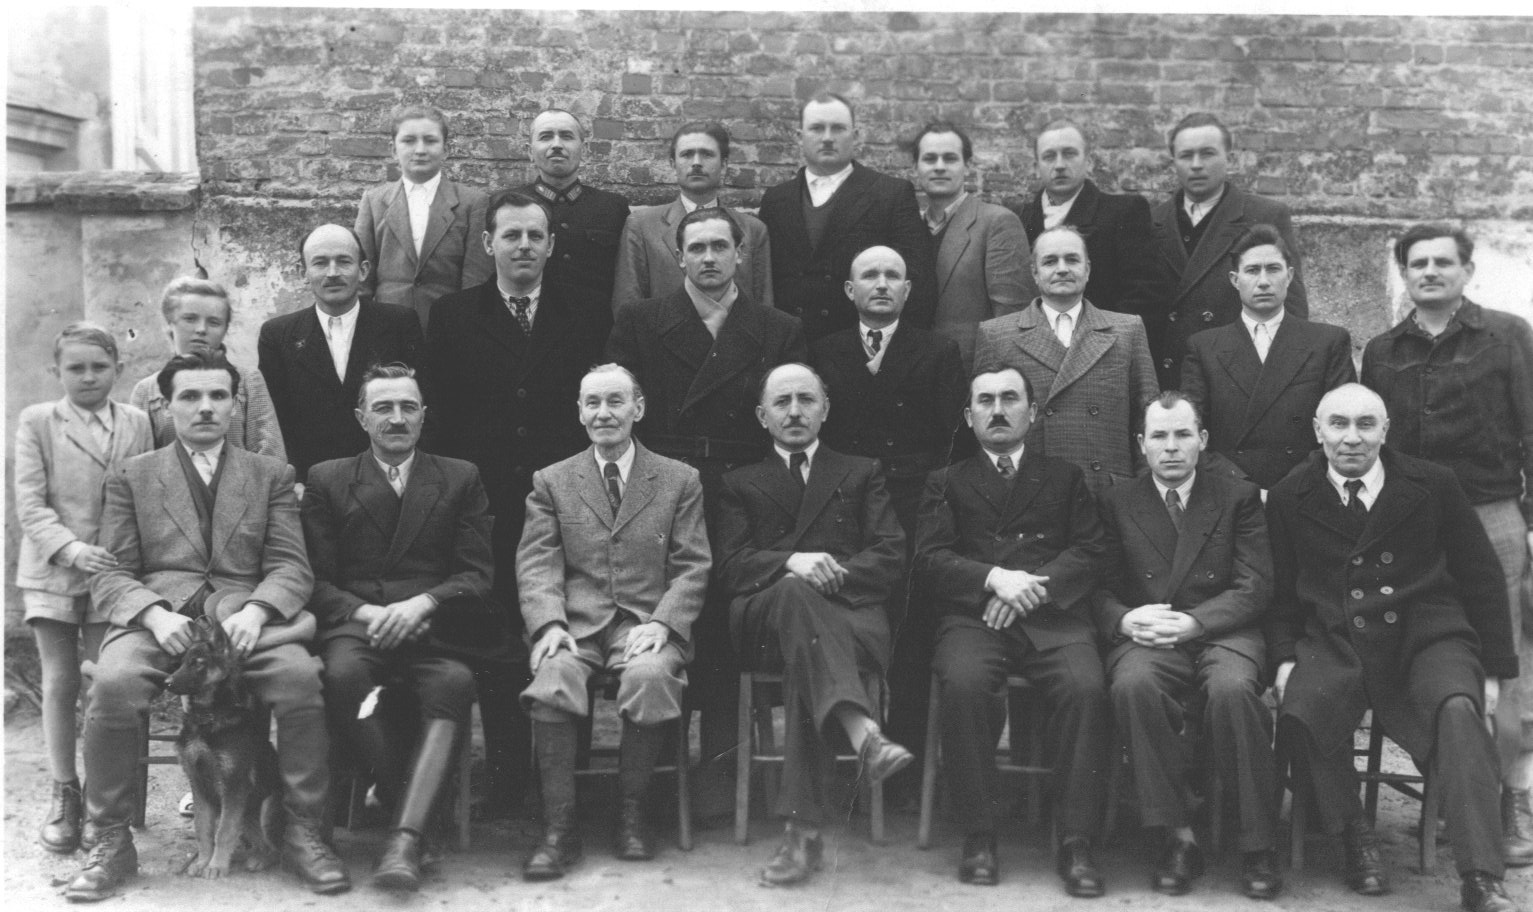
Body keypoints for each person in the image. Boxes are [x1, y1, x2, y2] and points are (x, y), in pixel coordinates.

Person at [67, 351, 347, 901]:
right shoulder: (132, 476)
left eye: (218, 395)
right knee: (113, 684)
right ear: (166, 406)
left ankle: (301, 831)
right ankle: (110, 839)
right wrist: (153, 613)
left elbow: (291, 566)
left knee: (298, 680)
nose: (205, 407)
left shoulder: (269, 474)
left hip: (242, 620)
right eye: (190, 396)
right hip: (158, 619)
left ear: (235, 404)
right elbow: (111, 571)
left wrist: (258, 610)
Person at [1268, 384, 1521, 912]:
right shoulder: (1291, 494)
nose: (1352, 438)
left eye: (1366, 425)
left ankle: (1481, 876)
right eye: (1338, 424)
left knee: (1458, 708)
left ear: (1385, 431)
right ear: (1318, 431)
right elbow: (1281, 590)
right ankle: (1354, 834)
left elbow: (1481, 575)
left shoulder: (1433, 483)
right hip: (1336, 636)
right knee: (1302, 707)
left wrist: (1494, 670)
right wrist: (1285, 657)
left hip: (1427, 634)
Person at [427, 188, 611, 815]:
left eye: (535, 235)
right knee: (500, 637)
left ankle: (569, 783)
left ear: (552, 244)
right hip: (488, 505)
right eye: (511, 235)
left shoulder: (586, 312)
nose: (524, 246)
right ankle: (506, 779)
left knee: (570, 626)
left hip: (568, 504)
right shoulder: (454, 315)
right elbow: (442, 417)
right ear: (488, 244)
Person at [606, 205, 806, 770]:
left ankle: (720, 780)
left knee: (724, 628)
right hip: (663, 486)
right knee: (665, 616)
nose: (709, 258)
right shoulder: (641, 321)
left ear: (741, 255)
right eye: (697, 248)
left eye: (721, 246)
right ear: (679, 258)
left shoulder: (778, 328)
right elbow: (624, 412)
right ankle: (660, 777)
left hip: (745, 491)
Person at [1362, 223, 1533, 866]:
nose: (1430, 272)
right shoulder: (1383, 350)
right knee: (1427, 651)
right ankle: (1449, 796)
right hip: (1417, 527)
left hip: (1492, 514)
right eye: (1418, 264)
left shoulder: (1508, 336)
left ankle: (1509, 805)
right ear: (1404, 274)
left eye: (1443, 262)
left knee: (1503, 664)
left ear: (1467, 271)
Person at [915, 366, 1111, 896]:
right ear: (968, 416)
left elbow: (1091, 550)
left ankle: (1076, 840)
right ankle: (978, 834)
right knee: (963, 683)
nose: (997, 410)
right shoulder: (946, 481)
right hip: (976, 617)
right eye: (985, 401)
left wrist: (1031, 589)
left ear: (1033, 412)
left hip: (1052, 617)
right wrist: (993, 579)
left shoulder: (1065, 477)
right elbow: (930, 559)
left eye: (1009, 399)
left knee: (1087, 687)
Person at [715, 363, 910, 886]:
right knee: (794, 595)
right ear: (762, 416)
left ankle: (801, 835)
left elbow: (890, 555)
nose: (795, 411)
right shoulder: (738, 483)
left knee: (809, 649)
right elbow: (730, 567)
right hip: (766, 623)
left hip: (851, 616)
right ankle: (862, 731)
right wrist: (792, 562)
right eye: (782, 402)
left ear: (826, 409)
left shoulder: (861, 471)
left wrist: (828, 576)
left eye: (806, 399)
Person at [301, 363, 493, 891]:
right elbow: (315, 580)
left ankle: (403, 841)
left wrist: (422, 604)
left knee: (454, 681)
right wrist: (369, 613)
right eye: (383, 407)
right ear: (361, 417)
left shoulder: (459, 477)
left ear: (424, 416)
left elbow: (477, 575)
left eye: (408, 407)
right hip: (358, 625)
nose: (397, 418)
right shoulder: (328, 478)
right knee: (343, 675)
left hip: (433, 626)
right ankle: (408, 817)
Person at [516, 364, 711, 878]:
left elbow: (693, 565)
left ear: (638, 409)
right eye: (593, 403)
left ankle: (632, 815)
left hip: (646, 624)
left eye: (615, 401)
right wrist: (548, 625)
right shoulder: (553, 480)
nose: (604, 413)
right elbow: (537, 563)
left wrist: (665, 624)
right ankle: (559, 829)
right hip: (575, 625)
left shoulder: (678, 479)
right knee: (553, 678)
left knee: (649, 677)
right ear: (579, 413)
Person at [1095, 392, 1279, 899]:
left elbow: (1255, 585)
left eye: (1182, 434)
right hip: (1150, 632)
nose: (1171, 447)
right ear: (1141, 444)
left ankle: (1258, 844)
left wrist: (1196, 622)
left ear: (1202, 440)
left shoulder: (1237, 497)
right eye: (1159, 436)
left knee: (1233, 690)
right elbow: (1097, 586)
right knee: (1133, 685)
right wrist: (1124, 618)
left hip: (1223, 630)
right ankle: (1178, 836)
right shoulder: (1116, 501)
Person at [810, 244, 966, 783]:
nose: (881, 284)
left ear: (908, 290)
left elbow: (954, 443)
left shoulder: (938, 352)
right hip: (845, 507)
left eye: (892, 276)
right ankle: (840, 771)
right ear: (849, 290)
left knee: (910, 635)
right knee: (844, 624)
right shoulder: (824, 351)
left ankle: (906, 774)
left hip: (914, 506)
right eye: (870, 275)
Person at [14, 323, 153, 854]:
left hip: (111, 574)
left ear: (118, 368)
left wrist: (121, 559)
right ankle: (64, 792)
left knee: (103, 683)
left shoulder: (137, 422)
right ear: (57, 371)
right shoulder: (38, 421)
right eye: (76, 368)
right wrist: (72, 549)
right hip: (53, 569)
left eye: (99, 367)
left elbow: (144, 491)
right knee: (60, 680)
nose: (89, 377)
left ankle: (102, 798)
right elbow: (30, 504)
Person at [974, 225, 1159, 494]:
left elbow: (1148, 419)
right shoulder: (996, 334)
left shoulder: (1127, 330)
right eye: (1050, 261)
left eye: (1072, 260)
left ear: (1088, 269)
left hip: (1108, 492)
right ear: (1034, 273)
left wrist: (1145, 494)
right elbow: (985, 425)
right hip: (1029, 492)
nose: (1062, 269)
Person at [1181, 224, 1354, 491]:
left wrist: (1288, 490)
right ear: (1235, 279)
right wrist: (1243, 490)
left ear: (1289, 275)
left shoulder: (1328, 342)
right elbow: (1191, 433)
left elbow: (1342, 427)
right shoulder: (1204, 348)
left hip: (1306, 490)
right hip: (1230, 494)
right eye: (1252, 270)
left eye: (1273, 269)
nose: (1263, 281)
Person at [758, 92, 935, 341]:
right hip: (791, 345)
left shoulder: (890, 194)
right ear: (799, 137)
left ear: (856, 135)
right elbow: (764, 283)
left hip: (859, 347)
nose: (827, 138)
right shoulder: (776, 200)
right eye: (817, 128)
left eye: (838, 128)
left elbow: (916, 282)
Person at [1150, 113, 1308, 388]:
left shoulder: (1264, 215)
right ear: (1173, 161)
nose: (1196, 165)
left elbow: (1291, 307)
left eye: (1207, 153)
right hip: (1171, 379)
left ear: (1229, 159)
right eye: (1186, 155)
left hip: (1237, 377)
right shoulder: (1153, 222)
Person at [258, 224, 425, 482]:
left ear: (363, 270)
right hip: (311, 482)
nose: (333, 273)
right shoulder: (278, 335)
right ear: (303, 272)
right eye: (320, 263)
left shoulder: (399, 324)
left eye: (344, 261)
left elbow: (422, 407)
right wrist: (295, 481)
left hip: (388, 479)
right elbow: (275, 421)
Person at [355, 104, 494, 331]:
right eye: (409, 141)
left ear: (446, 150)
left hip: (447, 327)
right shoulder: (373, 201)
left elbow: (475, 280)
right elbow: (361, 280)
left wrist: (465, 330)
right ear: (393, 150)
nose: (420, 150)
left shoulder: (472, 203)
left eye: (430, 141)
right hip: (387, 327)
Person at [908, 120, 1034, 371]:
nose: (940, 167)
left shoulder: (996, 222)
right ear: (915, 168)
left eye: (950, 158)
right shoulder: (909, 229)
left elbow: (1013, 319)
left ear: (967, 166)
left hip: (973, 375)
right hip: (915, 374)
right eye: (930, 159)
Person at [611, 121, 773, 312]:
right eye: (687, 154)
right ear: (673, 164)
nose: (696, 162)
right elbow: (627, 306)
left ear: (723, 165)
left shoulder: (752, 230)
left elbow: (765, 310)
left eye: (707, 154)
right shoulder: (642, 226)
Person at [1015, 119, 1161, 323]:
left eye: (1069, 154)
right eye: (1049, 156)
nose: (1059, 165)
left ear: (1089, 161)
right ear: (1035, 167)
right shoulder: (1019, 219)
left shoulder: (1124, 212)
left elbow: (1142, 296)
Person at [130, 276, 285, 462]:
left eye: (214, 322)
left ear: (225, 329)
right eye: (190, 319)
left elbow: (270, 455)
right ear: (170, 324)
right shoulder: (147, 390)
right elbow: (138, 464)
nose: (201, 329)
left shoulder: (248, 380)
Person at [517, 108, 630, 301]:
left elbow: (626, 281)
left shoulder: (613, 207)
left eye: (566, 136)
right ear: (530, 151)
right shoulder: (507, 205)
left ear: (583, 150)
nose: (556, 145)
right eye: (545, 137)